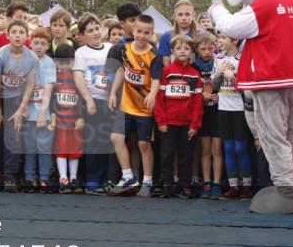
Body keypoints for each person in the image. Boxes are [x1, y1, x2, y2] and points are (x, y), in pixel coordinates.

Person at [210, 0, 293, 214]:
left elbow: (232, 27)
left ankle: (287, 190)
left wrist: (216, 9)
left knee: (273, 136)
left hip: (271, 79)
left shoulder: (265, 4)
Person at [107, 13, 162, 196]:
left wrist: (152, 94)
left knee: (143, 144)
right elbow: (121, 71)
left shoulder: (154, 55)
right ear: (133, 30)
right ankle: (128, 176)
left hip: (144, 108)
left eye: (146, 33)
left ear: (151, 33)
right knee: (116, 137)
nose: (141, 36)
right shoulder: (124, 49)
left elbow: (156, 79)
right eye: (139, 31)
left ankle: (147, 181)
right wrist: (113, 93)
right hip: (126, 104)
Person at [0, 19, 41, 192]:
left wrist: (21, 109)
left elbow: (30, 86)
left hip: (17, 100)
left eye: (21, 32)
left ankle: (10, 175)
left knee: (12, 136)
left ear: (27, 36)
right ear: (7, 35)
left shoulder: (32, 57)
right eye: (14, 32)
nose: (17, 36)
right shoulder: (0, 55)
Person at [154, 34, 204, 198]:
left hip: (187, 124)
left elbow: (197, 102)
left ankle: (184, 186)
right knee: (166, 155)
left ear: (192, 52)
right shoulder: (166, 72)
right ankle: (167, 185)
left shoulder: (195, 75)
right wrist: (161, 121)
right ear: (172, 51)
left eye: (186, 48)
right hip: (168, 123)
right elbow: (159, 99)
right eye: (178, 48)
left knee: (186, 156)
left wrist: (195, 124)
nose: (182, 51)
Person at [72, 13, 113, 194]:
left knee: (109, 141)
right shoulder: (81, 52)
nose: (95, 33)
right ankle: (92, 181)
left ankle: (107, 179)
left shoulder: (110, 48)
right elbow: (78, 77)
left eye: (97, 28)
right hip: (93, 101)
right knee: (95, 141)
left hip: (111, 100)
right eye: (90, 31)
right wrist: (88, 99)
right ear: (83, 35)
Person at [213, 33, 254, 199]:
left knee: (240, 148)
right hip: (223, 109)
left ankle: (247, 186)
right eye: (218, 37)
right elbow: (214, 86)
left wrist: (233, 78)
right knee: (228, 147)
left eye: (223, 37)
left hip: (240, 109)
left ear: (235, 40)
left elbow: (247, 89)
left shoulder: (243, 58)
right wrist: (219, 74)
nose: (219, 40)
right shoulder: (218, 58)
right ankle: (233, 186)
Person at [21, 27, 57, 192]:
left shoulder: (49, 63)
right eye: (36, 43)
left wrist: (43, 112)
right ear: (30, 43)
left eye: (43, 44)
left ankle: (44, 178)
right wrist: (23, 107)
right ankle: (29, 177)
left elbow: (48, 89)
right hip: (28, 112)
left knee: (44, 147)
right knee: (30, 147)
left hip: (44, 113)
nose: (39, 46)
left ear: (48, 46)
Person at [193, 31, 223, 199]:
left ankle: (217, 183)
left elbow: (226, 86)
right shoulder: (194, 67)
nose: (207, 52)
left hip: (218, 112)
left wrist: (221, 96)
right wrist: (201, 96)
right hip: (202, 113)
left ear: (215, 48)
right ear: (197, 49)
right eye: (203, 49)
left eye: (210, 49)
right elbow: (191, 90)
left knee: (217, 150)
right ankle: (207, 182)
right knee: (205, 150)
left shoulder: (219, 64)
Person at [51, 43, 84, 193]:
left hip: (75, 122)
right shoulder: (54, 78)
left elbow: (83, 98)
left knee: (75, 151)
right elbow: (51, 100)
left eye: (68, 62)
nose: (65, 66)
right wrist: (53, 118)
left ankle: (73, 178)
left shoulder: (77, 78)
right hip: (60, 123)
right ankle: (63, 178)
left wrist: (81, 117)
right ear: (56, 62)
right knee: (61, 150)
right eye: (61, 62)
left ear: (73, 61)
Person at [158, 0, 200, 67]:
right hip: (173, 73)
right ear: (174, 16)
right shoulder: (166, 36)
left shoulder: (200, 35)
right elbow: (166, 63)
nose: (184, 18)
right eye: (180, 14)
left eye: (187, 14)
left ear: (193, 16)